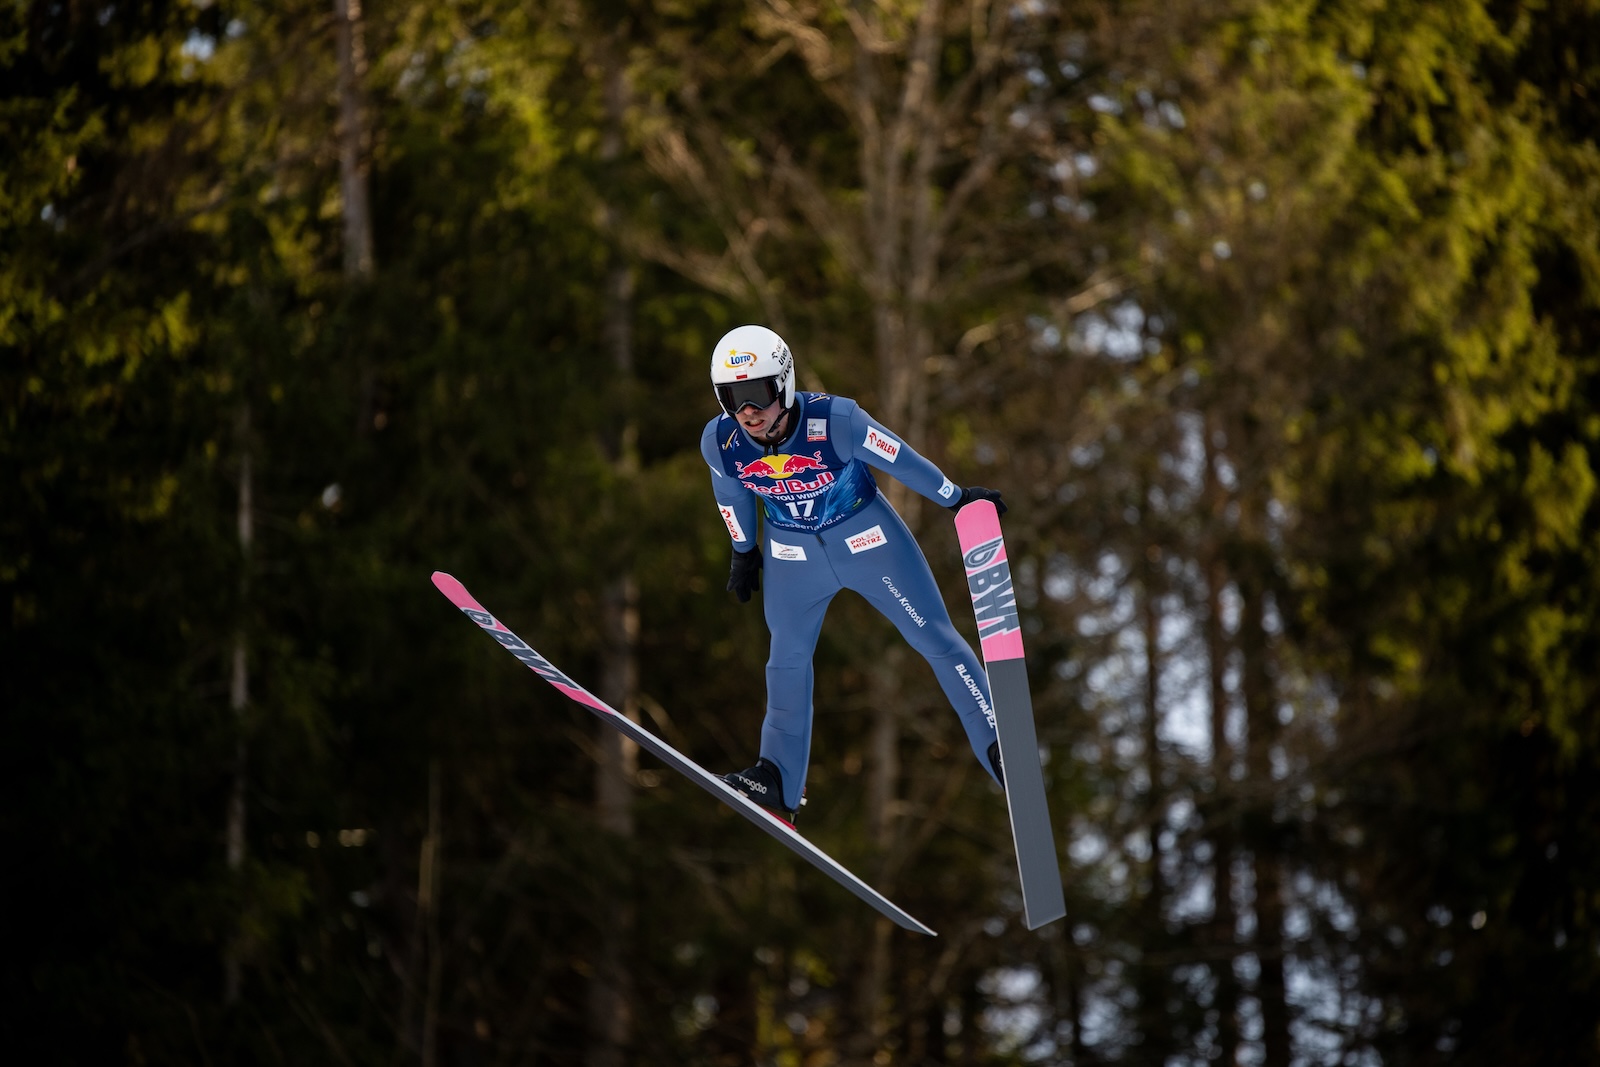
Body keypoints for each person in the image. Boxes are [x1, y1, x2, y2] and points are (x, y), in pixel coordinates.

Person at [701, 324, 1007, 822]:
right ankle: (776, 780)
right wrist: (743, 550)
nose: (747, 412)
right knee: (786, 660)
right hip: (792, 557)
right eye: (731, 398)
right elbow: (730, 495)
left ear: (784, 383)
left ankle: (999, 745)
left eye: (756, 394)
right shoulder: (721, 441)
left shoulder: (835, 420)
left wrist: (955, 498)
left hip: (868, 542)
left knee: (933, 636)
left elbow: (899, 459)